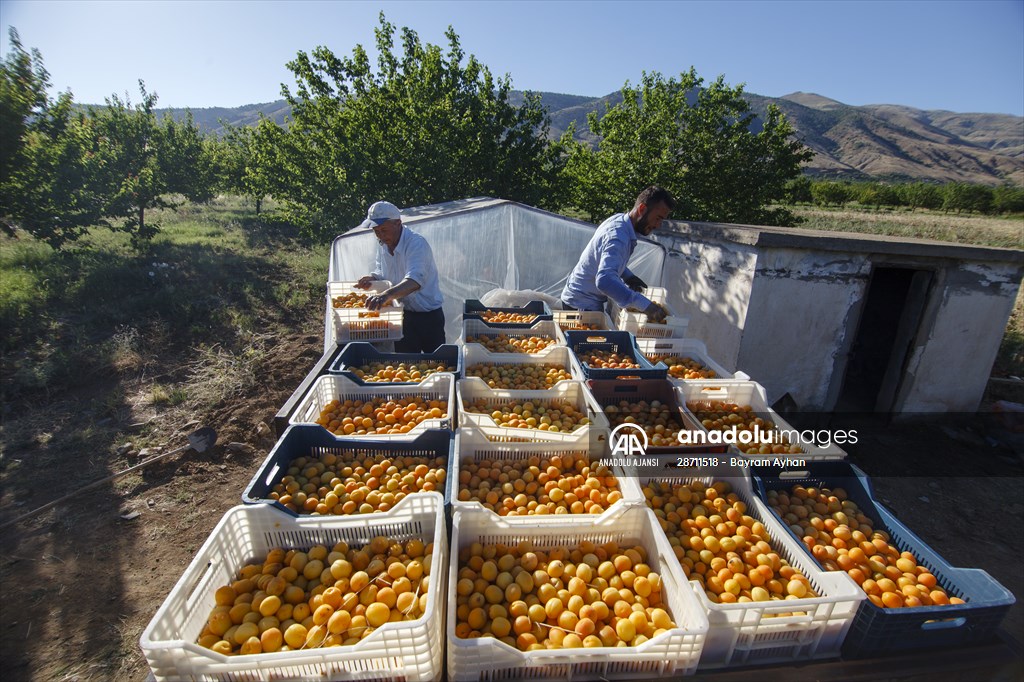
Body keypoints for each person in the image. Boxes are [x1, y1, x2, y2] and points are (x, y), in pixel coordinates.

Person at [560, 186, 675, 321]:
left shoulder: (619, 220)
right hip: (581, 306)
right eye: (658, 218)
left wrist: (628, 276)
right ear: (642, 209)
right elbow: (605, 280)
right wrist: (644, 305)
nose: (658, 225)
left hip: (577, 297)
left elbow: (604, 258)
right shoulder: (618, 237)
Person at [355, 200, 446, 353]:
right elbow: (383, 271)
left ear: (398, 223)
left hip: (428, 317)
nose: (380, 235)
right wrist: (373, 278)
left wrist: (385, 296)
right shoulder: (383, 245)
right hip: (403, 316)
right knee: (406, 362)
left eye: (384, 230)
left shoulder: (416, 244)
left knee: (436, 361)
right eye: (376, 231)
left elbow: (414, 281)